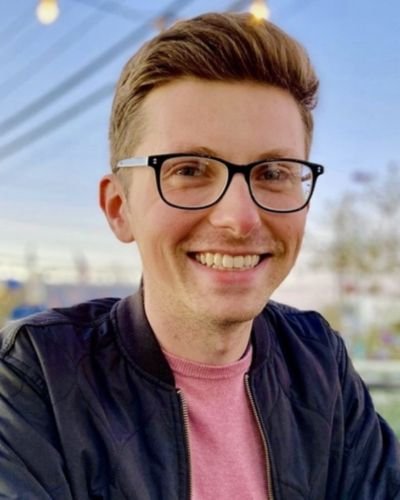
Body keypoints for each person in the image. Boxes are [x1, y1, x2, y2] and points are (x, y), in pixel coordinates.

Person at [0, 11, 399, 500]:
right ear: (119, 208)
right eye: (189, 170)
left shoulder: (319, 362)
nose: (240, 218)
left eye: (274, 173)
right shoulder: (34, 378)